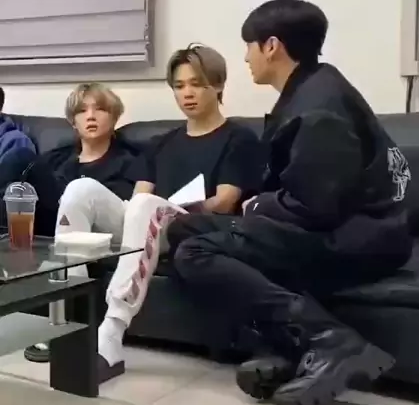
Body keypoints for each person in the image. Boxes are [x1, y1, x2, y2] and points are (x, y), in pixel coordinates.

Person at [160, 0, 413, 405]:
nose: (246, 57)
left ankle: (327, 339)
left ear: (272, 46)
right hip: (344, 225)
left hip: (358, 237)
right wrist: (261, 206)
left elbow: (315, 206)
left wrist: (257, 207)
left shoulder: (319, 110)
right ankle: (289, 346)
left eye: (249, 47)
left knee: (195, 251)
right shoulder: (311, 90)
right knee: (184, 228)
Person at [53, 45, 265, 382]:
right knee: (81, 189)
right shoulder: (161, 142)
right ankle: (70, 318)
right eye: (179, 86)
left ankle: (112, 331)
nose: (187, 93)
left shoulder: (238, 137)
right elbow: (139, 196)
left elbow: (225, 201)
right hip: (149, 223)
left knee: (146, 205)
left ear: (218, 85)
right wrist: (143, 211)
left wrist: (171, 207)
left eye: (197, 84)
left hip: (198, 227)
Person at [23, 83, 138, 363]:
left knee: (79, 192)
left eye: (100, 109)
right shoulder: (53, 161)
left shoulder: (132, 159)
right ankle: (66, 323)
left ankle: (65, 325)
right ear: (72, 121)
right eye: (82, 111)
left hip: (114, 234)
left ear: (114, 117)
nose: (91, 116)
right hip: (64, 239)